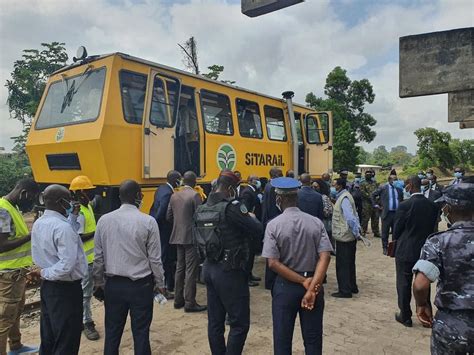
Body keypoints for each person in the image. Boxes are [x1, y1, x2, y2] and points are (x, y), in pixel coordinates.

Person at [195, 171, 263, 355]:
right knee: (239, 323)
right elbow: (257, 230)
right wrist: (252, 217)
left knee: (215, 322)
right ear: (232, 188)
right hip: (230, 270)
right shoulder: (232, 207)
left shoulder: (202, 208)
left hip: (208, 268)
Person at [94, 180, 165, 355]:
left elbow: (98, 258)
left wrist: (99, 282)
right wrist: (160, 283)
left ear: (119, 197)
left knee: (112, 332)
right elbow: (155, 259)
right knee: (141, 332)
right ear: (139, 196)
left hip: (113, 286)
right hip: (141, 286)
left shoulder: (104, 221)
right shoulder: (148, 222)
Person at [262, 177, 333, 355]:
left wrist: (303, 282)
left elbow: (272, 263)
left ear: (279, 200)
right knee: (313, 339)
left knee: (282, 339)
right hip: (313, 286)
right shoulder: (316, 223)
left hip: (285, 287)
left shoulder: (273, 225)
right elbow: (325, 256)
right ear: (297, 198)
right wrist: (312, 287)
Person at [412, 179, 474, 354]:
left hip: (452, 326)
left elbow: (420, 284)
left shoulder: (438, 242)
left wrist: (421, 304)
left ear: (448, 209)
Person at [30, 185, 87, 355]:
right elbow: (66, 265)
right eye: (68, 198)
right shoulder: (63, 228)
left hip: (49, 288)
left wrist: (73, 217)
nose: (71, 202)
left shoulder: (40, 223)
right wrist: (43, 273)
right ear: (61, 201)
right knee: (67, 339)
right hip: (66, 290)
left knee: (49, 335)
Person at [392, 176, 438, 327]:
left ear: (410, 185)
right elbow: (433, 229)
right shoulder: (432, 205)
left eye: (406, 185)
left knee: (403, 283)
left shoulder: (405, 205)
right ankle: (426, 314)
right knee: (424, 283)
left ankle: (405, 316)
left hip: (405, 250)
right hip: (424, 250)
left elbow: (397, 229)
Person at [0, 179, 39, 355]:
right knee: (5, 318)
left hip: (17, 273)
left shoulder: (11, 207)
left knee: (16, 311)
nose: (30, 203)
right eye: (31, 199)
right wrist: (30, 236)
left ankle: (16, 346)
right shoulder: (3, 210)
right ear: (23, 193)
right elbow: (2, 245)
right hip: (8, 275)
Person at [166, 171, 206, 312]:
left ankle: (178, 300)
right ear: (194, 181)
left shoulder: (174, 195)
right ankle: (190, 302)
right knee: (190, 270)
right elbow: (201, 216)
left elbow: (168, 216)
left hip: (177, 236)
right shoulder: (195, 195)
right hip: (191, 237)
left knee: (180, 268)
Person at [68, 175, 100, 341]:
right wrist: (97, 232)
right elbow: (77, 237)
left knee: (90, 290)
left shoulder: (87, 207)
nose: (91, 193)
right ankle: (86, 322)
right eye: (88, 190)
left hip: (92, 258)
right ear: (81, 192)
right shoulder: (79, 211)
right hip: (85, 261)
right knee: (85, 293)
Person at [149, 170, 181, 297]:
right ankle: (164, 286)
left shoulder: (161, 188)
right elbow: (162, 212)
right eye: (179, 179)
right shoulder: (168, 193)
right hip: (163, 229)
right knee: (164, 256)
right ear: (174, 180)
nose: (180, 181)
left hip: (158, 227)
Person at [331, 178, 361, 298]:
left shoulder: (344, 198)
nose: (333, 187)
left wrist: (356, 232)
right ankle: (352, 286)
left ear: (339, 186)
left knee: (343, 264)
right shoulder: (346, 196)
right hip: (349, 236)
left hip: (344, 237)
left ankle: (345, 290)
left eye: (335, 185)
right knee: (350, 263)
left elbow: (350, 217)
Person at [262, 167, 283, 290]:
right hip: (274, 221)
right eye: (280, 174)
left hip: (269, 221)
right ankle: (271, 281)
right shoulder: (274, 187)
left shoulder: (268, 186)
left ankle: (270, 281)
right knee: (274, 252)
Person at [240, 175, 263, 287]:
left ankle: (250, 274)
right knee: (248, 253)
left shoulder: (252, 191)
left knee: (252, 252)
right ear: (250, 181)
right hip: (250, 226)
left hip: (254, 225)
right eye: (256, 179)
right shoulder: (247, 192)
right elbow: (245, 210)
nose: (258, 181)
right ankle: (246, 278)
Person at [372, 174, 403, 255]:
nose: (395, 181)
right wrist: (376, 205)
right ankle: (385, 248)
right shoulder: (383, 188)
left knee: (396, 231)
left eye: (396, 179)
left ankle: (394, 248)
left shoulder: (399, 189)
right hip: (387, 213)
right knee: (385, 232)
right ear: (389, 180)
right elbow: (373, 195)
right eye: (393, 180)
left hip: (396, 213)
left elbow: (401, 200)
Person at [312, 179, 334, 249]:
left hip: (325, 221)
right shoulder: (315, 196)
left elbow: (329, 211)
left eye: (316, 187)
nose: (314, 189)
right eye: (313, 187)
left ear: (321, 187)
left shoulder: (324, 197)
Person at [360, 169, 381, 238]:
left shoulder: (374, 182)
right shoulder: (362, 183)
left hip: (375, 203)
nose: (368, 175)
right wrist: (371, 197)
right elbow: (363, 193)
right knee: (365, 219)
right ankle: (363, 233)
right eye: (367, 174)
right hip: (367, 204)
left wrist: (377, 198)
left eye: (370, 174)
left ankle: (376, 232)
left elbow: (378, 190)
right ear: (365, 175)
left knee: (375, 218)